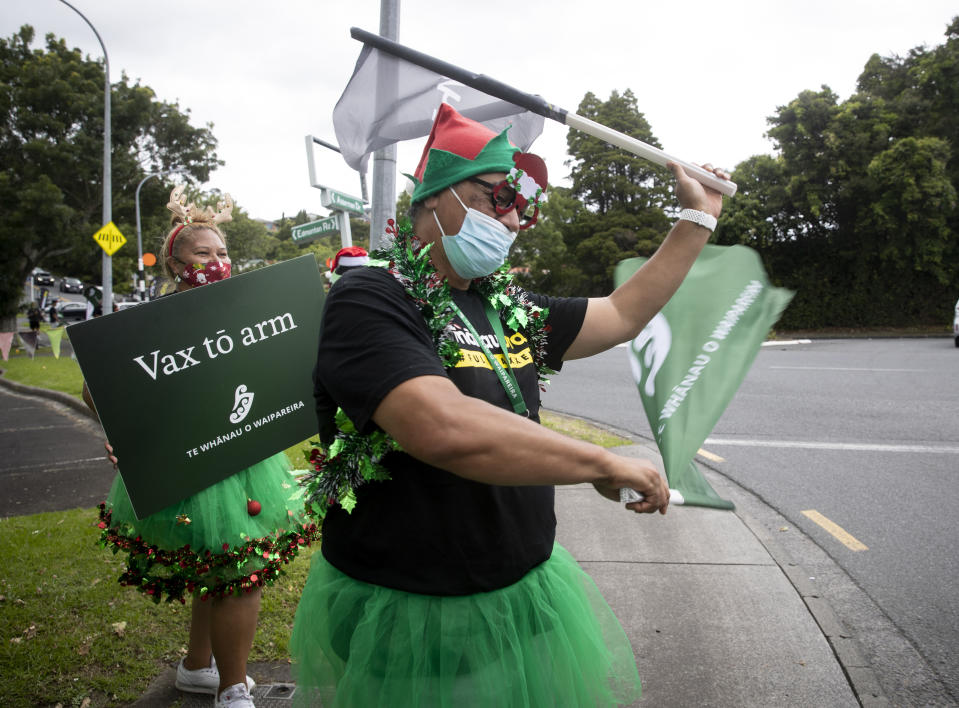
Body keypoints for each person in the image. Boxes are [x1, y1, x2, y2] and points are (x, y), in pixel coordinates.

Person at [290, 103, 730, 706]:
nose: (516, 217)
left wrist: (696, 219)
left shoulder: (505, 305)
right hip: (413, 601)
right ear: (435, 197)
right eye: (499, 196)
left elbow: (623, 314)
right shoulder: (370, 297)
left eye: (525, 204)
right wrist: (599, 461)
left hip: (519, 584)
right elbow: (440, 426)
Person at [87, 186, 319, 708]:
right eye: (202, 253)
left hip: (242, 453)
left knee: (223, 562)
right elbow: (96, 385)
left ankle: (198, 667)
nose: (216, 263)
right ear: (175, 261)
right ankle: (232, 688)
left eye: (222, 253)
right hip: (189, 460)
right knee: (236, 567)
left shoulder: (243, 311)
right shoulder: (154, 320)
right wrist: (120, 433)